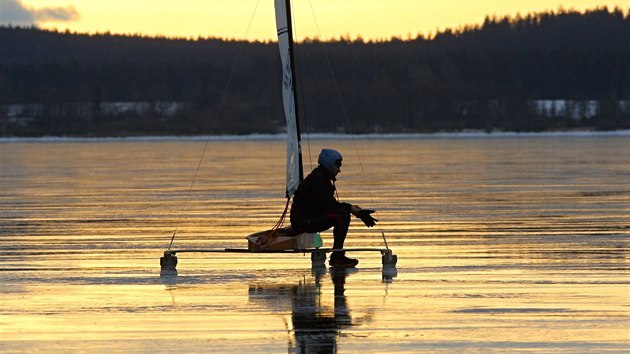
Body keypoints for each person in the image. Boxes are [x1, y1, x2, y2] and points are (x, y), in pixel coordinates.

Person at [290, 148, 377, 268]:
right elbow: (330, 204)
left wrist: (355, 211)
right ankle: (337, 257)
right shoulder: (318, 180)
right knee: (341, 215)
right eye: (337, 166)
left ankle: (337, 255)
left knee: (341, 212)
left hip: (308, 218)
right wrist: (351, 209)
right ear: (329, 165)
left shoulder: (321, 177)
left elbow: (328, 205)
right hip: (303, 222)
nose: (339, 170)